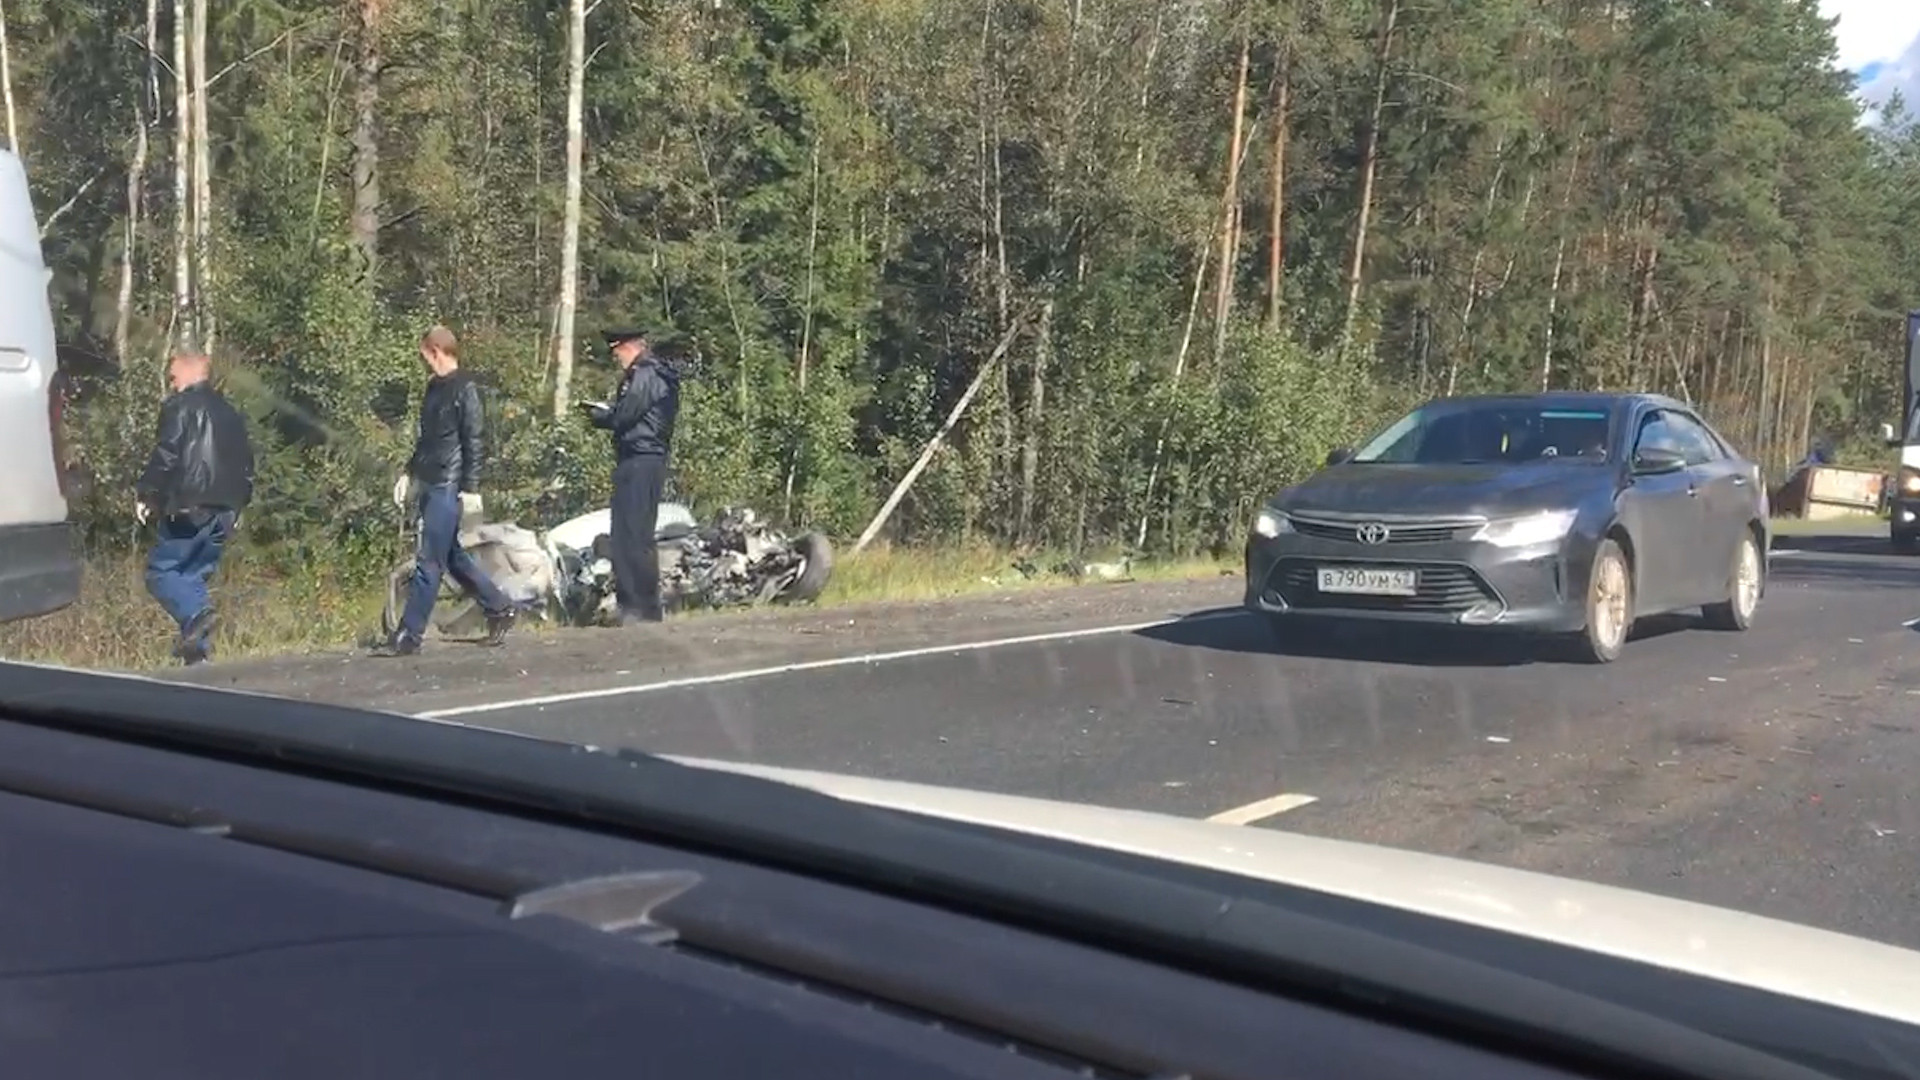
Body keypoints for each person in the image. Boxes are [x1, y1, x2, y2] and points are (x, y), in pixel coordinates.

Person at [381, 324, 516, 655]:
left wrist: (470, 488)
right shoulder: (434, 388)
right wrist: (408, 473)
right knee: (452, 557)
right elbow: (427, 439)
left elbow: (473, 440)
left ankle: (409, 634)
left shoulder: (465, 389)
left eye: (425, 355)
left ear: (436, 351)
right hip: (429, 479)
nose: (424, 362)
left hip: (448, 485)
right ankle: (500, 608)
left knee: (429, 559)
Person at [135, 350, 255, 666]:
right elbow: (247, 464)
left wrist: (147, 493)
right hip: (225, 510)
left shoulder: (179, 407)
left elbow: (168, 454)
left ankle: (196, 616)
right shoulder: (231, 413)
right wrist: (240, 504)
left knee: (162, 574)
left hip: (189, 506)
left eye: (173, 376)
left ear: (190, 373)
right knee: (193, 577)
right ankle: (197, 655)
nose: (171, 383)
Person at [580, 326, 681, 625]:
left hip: (639, 458)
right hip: (648, 458)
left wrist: (601, 417)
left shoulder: (645, 373)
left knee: (629, 536)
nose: (615, 358)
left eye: (616, 351)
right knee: (639, 535)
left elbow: (627, 414)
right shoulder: (657, 372)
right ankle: (646, 607)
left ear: (628, 346)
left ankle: (635, 606)